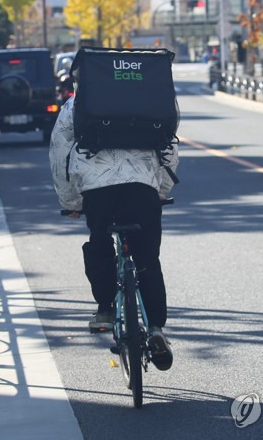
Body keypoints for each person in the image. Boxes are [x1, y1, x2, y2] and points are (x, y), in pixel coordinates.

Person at [49, 96, 178, 371]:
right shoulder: (150, 98)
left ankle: (106, 307)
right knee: (147, 259)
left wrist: (71, 202)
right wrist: (160, 191)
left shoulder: (77, 105)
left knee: (100, 240)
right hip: (143, 187)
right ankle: (155, 327)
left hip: (97, 189)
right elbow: (169, 146)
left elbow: (59, 152)